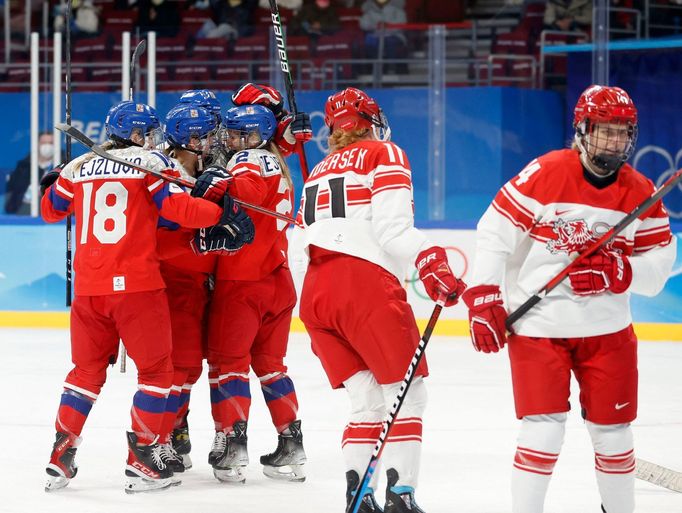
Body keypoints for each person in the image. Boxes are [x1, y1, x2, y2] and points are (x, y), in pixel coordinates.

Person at [461, 85, 676, 513]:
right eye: (605, 131)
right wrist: (484, 295)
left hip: (608, 333)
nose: (614, 141)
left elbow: (657, 271)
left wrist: (622, 271)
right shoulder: (546, 172)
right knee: (542, 430)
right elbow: (494, 232)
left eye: (622, 132)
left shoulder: (640, 190)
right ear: (582, 129)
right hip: (539, 329)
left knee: (614, 435)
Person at [40, 100, 253, 494]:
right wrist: (217, 213)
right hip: (137, 288)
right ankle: (143, 456)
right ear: (137, 135)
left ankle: (61, 451)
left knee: (84, 374)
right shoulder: (153, 163)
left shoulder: (81, 165)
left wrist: (54, 179)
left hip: (88, 291)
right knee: (157, 374)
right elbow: (177, 211)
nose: (153, 139)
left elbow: (50, 209)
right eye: (148, 133)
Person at [290, 87, 466, 512]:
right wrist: (429, 258)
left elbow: (297, 249)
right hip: (364, 285)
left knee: (366, 401)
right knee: (407, 394)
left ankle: (359, 495)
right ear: (371, 121)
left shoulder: (315, 173)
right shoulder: (384, 154)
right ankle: (400, 496)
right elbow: (393, 231)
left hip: (315, 295)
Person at [189, 103, 307, 484]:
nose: (230, 139)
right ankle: (292, 443)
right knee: (272, 366)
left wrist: (217, 183)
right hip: (278, 279)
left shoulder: (249, 160)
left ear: (253, 136)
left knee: (228, 367)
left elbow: (248, 190)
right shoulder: (278, 162)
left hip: (243, 284)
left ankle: (232, 447)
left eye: (237, 133)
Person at [154, 102, 226, 472]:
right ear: (190, 139)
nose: (214, 141)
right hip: (172, 285)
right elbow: (165, 231)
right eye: (207, 135)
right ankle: (160, 436)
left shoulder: (203, 167)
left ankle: (172, 429)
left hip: (202, 284)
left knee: (191, 368)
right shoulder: (164, 173)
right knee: (176, 367)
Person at [5, 132, 55, 215]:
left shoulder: (64, 165)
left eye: (51, 143)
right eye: (44, 143)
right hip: (26, 207)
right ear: (37, 144)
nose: (47, 147)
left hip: (51, 209)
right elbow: (14, 190)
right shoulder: (24, 166)